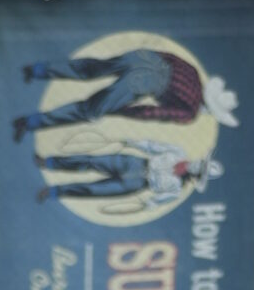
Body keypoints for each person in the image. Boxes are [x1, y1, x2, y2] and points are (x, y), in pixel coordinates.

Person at [14, 47, 238, 141]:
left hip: (147, 57)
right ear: (210, 110)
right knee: (91, 111)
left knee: (95, 68)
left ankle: (36, 70)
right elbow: (152, 113)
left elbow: (167, 56)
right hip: (146, 81)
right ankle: (29, 122)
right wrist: (120, 111)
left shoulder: (195, 73)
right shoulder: (190, 113)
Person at [36, 141, 220, 203]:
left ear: (198, 176)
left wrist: (150, 204)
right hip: (134, 163)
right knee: (92, 161)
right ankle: (49, 162)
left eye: (201, 169)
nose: (197, 165)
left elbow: (158, 201)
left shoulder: (176, 189)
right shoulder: (178, 153)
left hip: (136, 184)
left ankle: (52, 192)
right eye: (201, 163)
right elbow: (154, 146)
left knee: (93, 191)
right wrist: (134, 143)